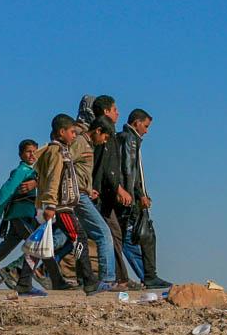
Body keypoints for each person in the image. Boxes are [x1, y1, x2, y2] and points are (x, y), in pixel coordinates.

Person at [16, 114, 102, 296]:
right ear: (61, 132)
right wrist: (51, 205)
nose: (74, 135)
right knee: (79, 238)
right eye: (72, 132)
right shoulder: (57, 152)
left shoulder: (53, 150)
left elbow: (43, 176)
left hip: (54, 205)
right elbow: (54, 179)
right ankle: (88, 280)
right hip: (59, 207)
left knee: (38, 243)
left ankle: (24, 282)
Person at [117, 108, 172, 289]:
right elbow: (129, 170)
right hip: (130, 198)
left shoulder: (125, 138)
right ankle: (149, 276)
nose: (146, 131)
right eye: (146, 126)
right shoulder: (130, 139)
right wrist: (139, 195)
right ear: (137, 122)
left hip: (127, 195)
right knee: (146, 234)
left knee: (125, 238)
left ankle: (146, 276)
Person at [69, 94, 120, 288]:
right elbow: (64, 164)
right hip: (76, 196)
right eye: (105, 136)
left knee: (67, 236)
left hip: (81, 193)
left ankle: (24, 270)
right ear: (97, 130)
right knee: (103, 233)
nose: (105, 140)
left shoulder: (86, 143)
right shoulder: (81, 143)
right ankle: (107, 278)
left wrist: (89, 189)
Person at [91, 94, 140, 289]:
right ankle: (118, 279)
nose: (118, 113)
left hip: (105, 195)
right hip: (102, 195)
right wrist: (119, 188)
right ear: (106, 112)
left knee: (112, 234)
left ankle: (120, 278)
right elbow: (105, 167)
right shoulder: (104, 135)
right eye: (114, 109)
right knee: (110, 234)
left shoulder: (108, 133)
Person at [0, 138, 40, 287]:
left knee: (6, 248)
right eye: (28, 151)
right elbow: (6, 190)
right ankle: (22, 278)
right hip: (20, 215)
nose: (32, 155)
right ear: (21, 155)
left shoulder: (34, 173)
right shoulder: (22, 171)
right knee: (37, 244)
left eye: (35, 151)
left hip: (24, 215)